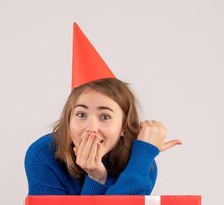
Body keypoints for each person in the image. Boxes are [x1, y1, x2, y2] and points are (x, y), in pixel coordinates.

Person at [24, 23, 180, 195]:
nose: (91, 128)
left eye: (105, 116)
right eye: (81, 114)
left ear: (123, 127)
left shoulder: (141, 161)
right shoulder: (43, 154)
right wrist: (96, 178)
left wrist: (142, 156)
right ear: (69, 119)